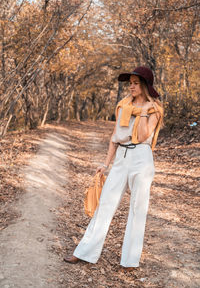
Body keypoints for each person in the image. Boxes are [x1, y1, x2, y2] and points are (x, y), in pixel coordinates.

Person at [64, 66, 164, 268]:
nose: (131, 87)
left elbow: (144, 136)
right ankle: (85, 252)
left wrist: (144, 113)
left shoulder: (155, 109)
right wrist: (106, 163)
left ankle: (129, 260)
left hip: (141, 159)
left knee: (138, 209)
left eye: (136, 83)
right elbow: (114, 137)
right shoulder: (123, 105)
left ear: (145, 85)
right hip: (122, 156)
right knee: (105, 204)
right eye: (130, 84)